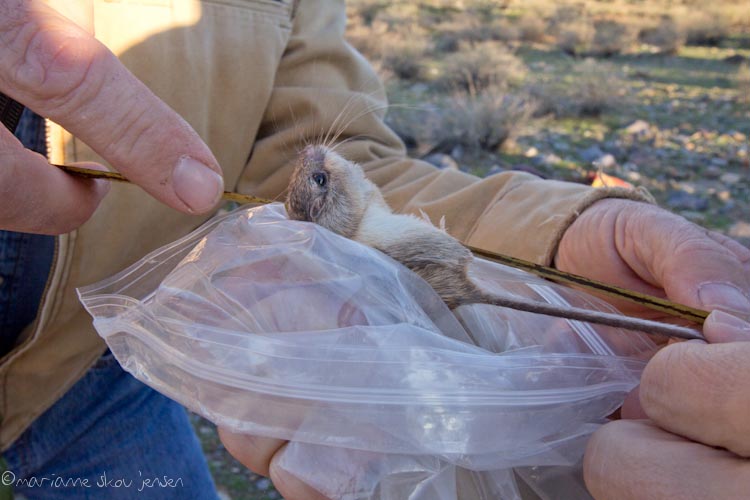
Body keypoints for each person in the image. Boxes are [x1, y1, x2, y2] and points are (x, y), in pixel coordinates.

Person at [0, 0, 747, 499]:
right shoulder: (341, 212)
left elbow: (322, 147)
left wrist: (559, 236)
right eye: (321, 181)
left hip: (80, 372)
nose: (319, 170)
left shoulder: (351, 199)